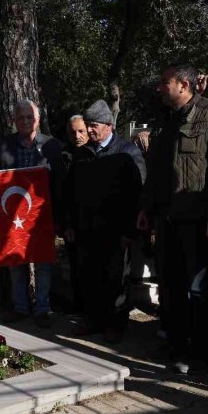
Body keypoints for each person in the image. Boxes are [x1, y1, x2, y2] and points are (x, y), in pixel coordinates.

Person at [138, 64, 208, 375]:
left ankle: (199, 354)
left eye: (163, 82)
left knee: (198, 288)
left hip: (197, 220)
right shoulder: (168, 122)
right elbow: (157, 173)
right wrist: (146, 208)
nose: (159, 88)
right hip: (167, 219)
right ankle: (176, 344)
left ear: (184, 85)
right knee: (170, 286)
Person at [65, 100, 145, 342]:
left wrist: (129, 231)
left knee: (116, 279)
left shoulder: (126, 152)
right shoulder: (82, 154)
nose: (89, 130)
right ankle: (93, 320)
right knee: (89, 277)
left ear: (109, 125)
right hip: (87, 229)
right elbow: (70, 192)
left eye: (94, 125)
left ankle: (115, 324)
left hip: (116, 231)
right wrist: (70, 224)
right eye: (87, 125)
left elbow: (138, 193)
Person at [0, 100, 64, 327]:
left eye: (30, 117)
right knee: (16, 263)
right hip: (13, 216)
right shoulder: (5, 145)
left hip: (42, 215)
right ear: (14, 121)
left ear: (37, 119)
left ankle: (43, 309)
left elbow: (59, 183)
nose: (25, 121)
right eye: (21, 118)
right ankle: (20, 307)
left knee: (43, 262)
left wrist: (58, 217)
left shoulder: (53, 146)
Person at [62, 114, 88, 310]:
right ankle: (79, 306)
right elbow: (63, 193)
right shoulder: (64, 157)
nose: (77, 136)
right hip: (73, 222)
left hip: (94, 221)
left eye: (81, 131)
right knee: (76, 267)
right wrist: (67, 223)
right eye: (73, 132)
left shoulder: (95, 154)